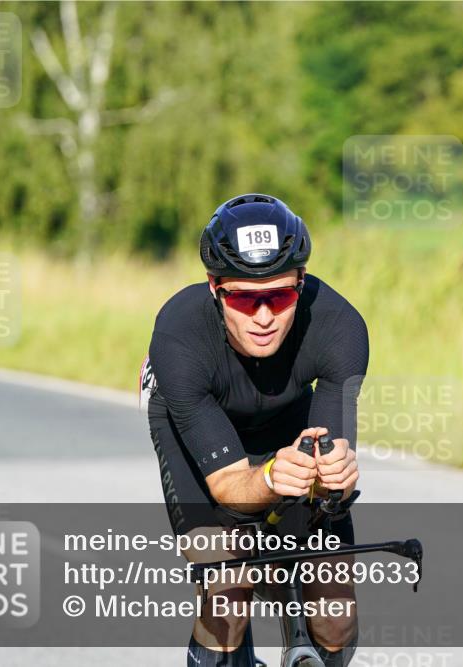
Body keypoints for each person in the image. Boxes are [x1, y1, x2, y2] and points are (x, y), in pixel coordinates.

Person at [142, 194, 368, 667]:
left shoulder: (339, 326)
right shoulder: (177, 335)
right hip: (196, 427)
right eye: (244, 298)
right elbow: (227, 487)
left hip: (288, 415)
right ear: (214, 286)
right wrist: (267, 479)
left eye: (280, 296)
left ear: (301, 285)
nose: (263, 317)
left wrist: (335, 476)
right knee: (227, 592)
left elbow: (334, 468)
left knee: (334, 616)